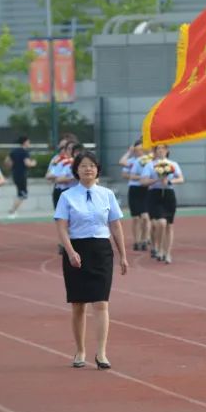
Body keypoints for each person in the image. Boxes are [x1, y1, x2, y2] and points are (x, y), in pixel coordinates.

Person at [54, 151, 129, 370]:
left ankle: (101, 353)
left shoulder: (107, 194)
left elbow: (115, 225)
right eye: (84, 166)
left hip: (101, 250)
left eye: (92, 166)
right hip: (77, 250)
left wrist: (123, 255)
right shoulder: (67, 196)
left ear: (98, 170)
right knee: (78, 304)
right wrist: (70, 252)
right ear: (76, 170)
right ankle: (80, 351)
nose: (88, 169)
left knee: (101, 303)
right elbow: (61, 227)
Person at [140, 144, 183, 264]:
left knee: (169, 225)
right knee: (160, 223)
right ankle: (158, 247)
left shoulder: (173, 164)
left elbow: (180, 178)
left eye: (163, 148)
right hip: (154, 194)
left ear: (167, 150)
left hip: (169, 195)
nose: (160, 151)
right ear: (155, 151)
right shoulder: (150, 165)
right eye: (158, 148)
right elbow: (143, 181)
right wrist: (157, 180)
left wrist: (169, 181)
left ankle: (167, 253)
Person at [120, 142, 151, 252]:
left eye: (141, 149)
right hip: (134, 189)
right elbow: (124, 172)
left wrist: (143, 178)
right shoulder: (131, 161)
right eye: (136, 150)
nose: (139, 152)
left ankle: (145, 239)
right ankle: (137, 241)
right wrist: (140, 177)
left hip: (146, 189)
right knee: (136, 217)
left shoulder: (148, 160)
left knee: (145, 217)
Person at [7, 136, 37, 217]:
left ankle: (13, 210)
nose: (29, 144)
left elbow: (7, 162)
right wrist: (33, 163)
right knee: (23, 194)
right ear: (25, 142)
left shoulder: (14, 151)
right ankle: (12, 211)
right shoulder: (24, 152)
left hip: (15, 174)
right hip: (22, 174)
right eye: (28, 142)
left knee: (20, 192)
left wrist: (13, 168)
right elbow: (27, 163)